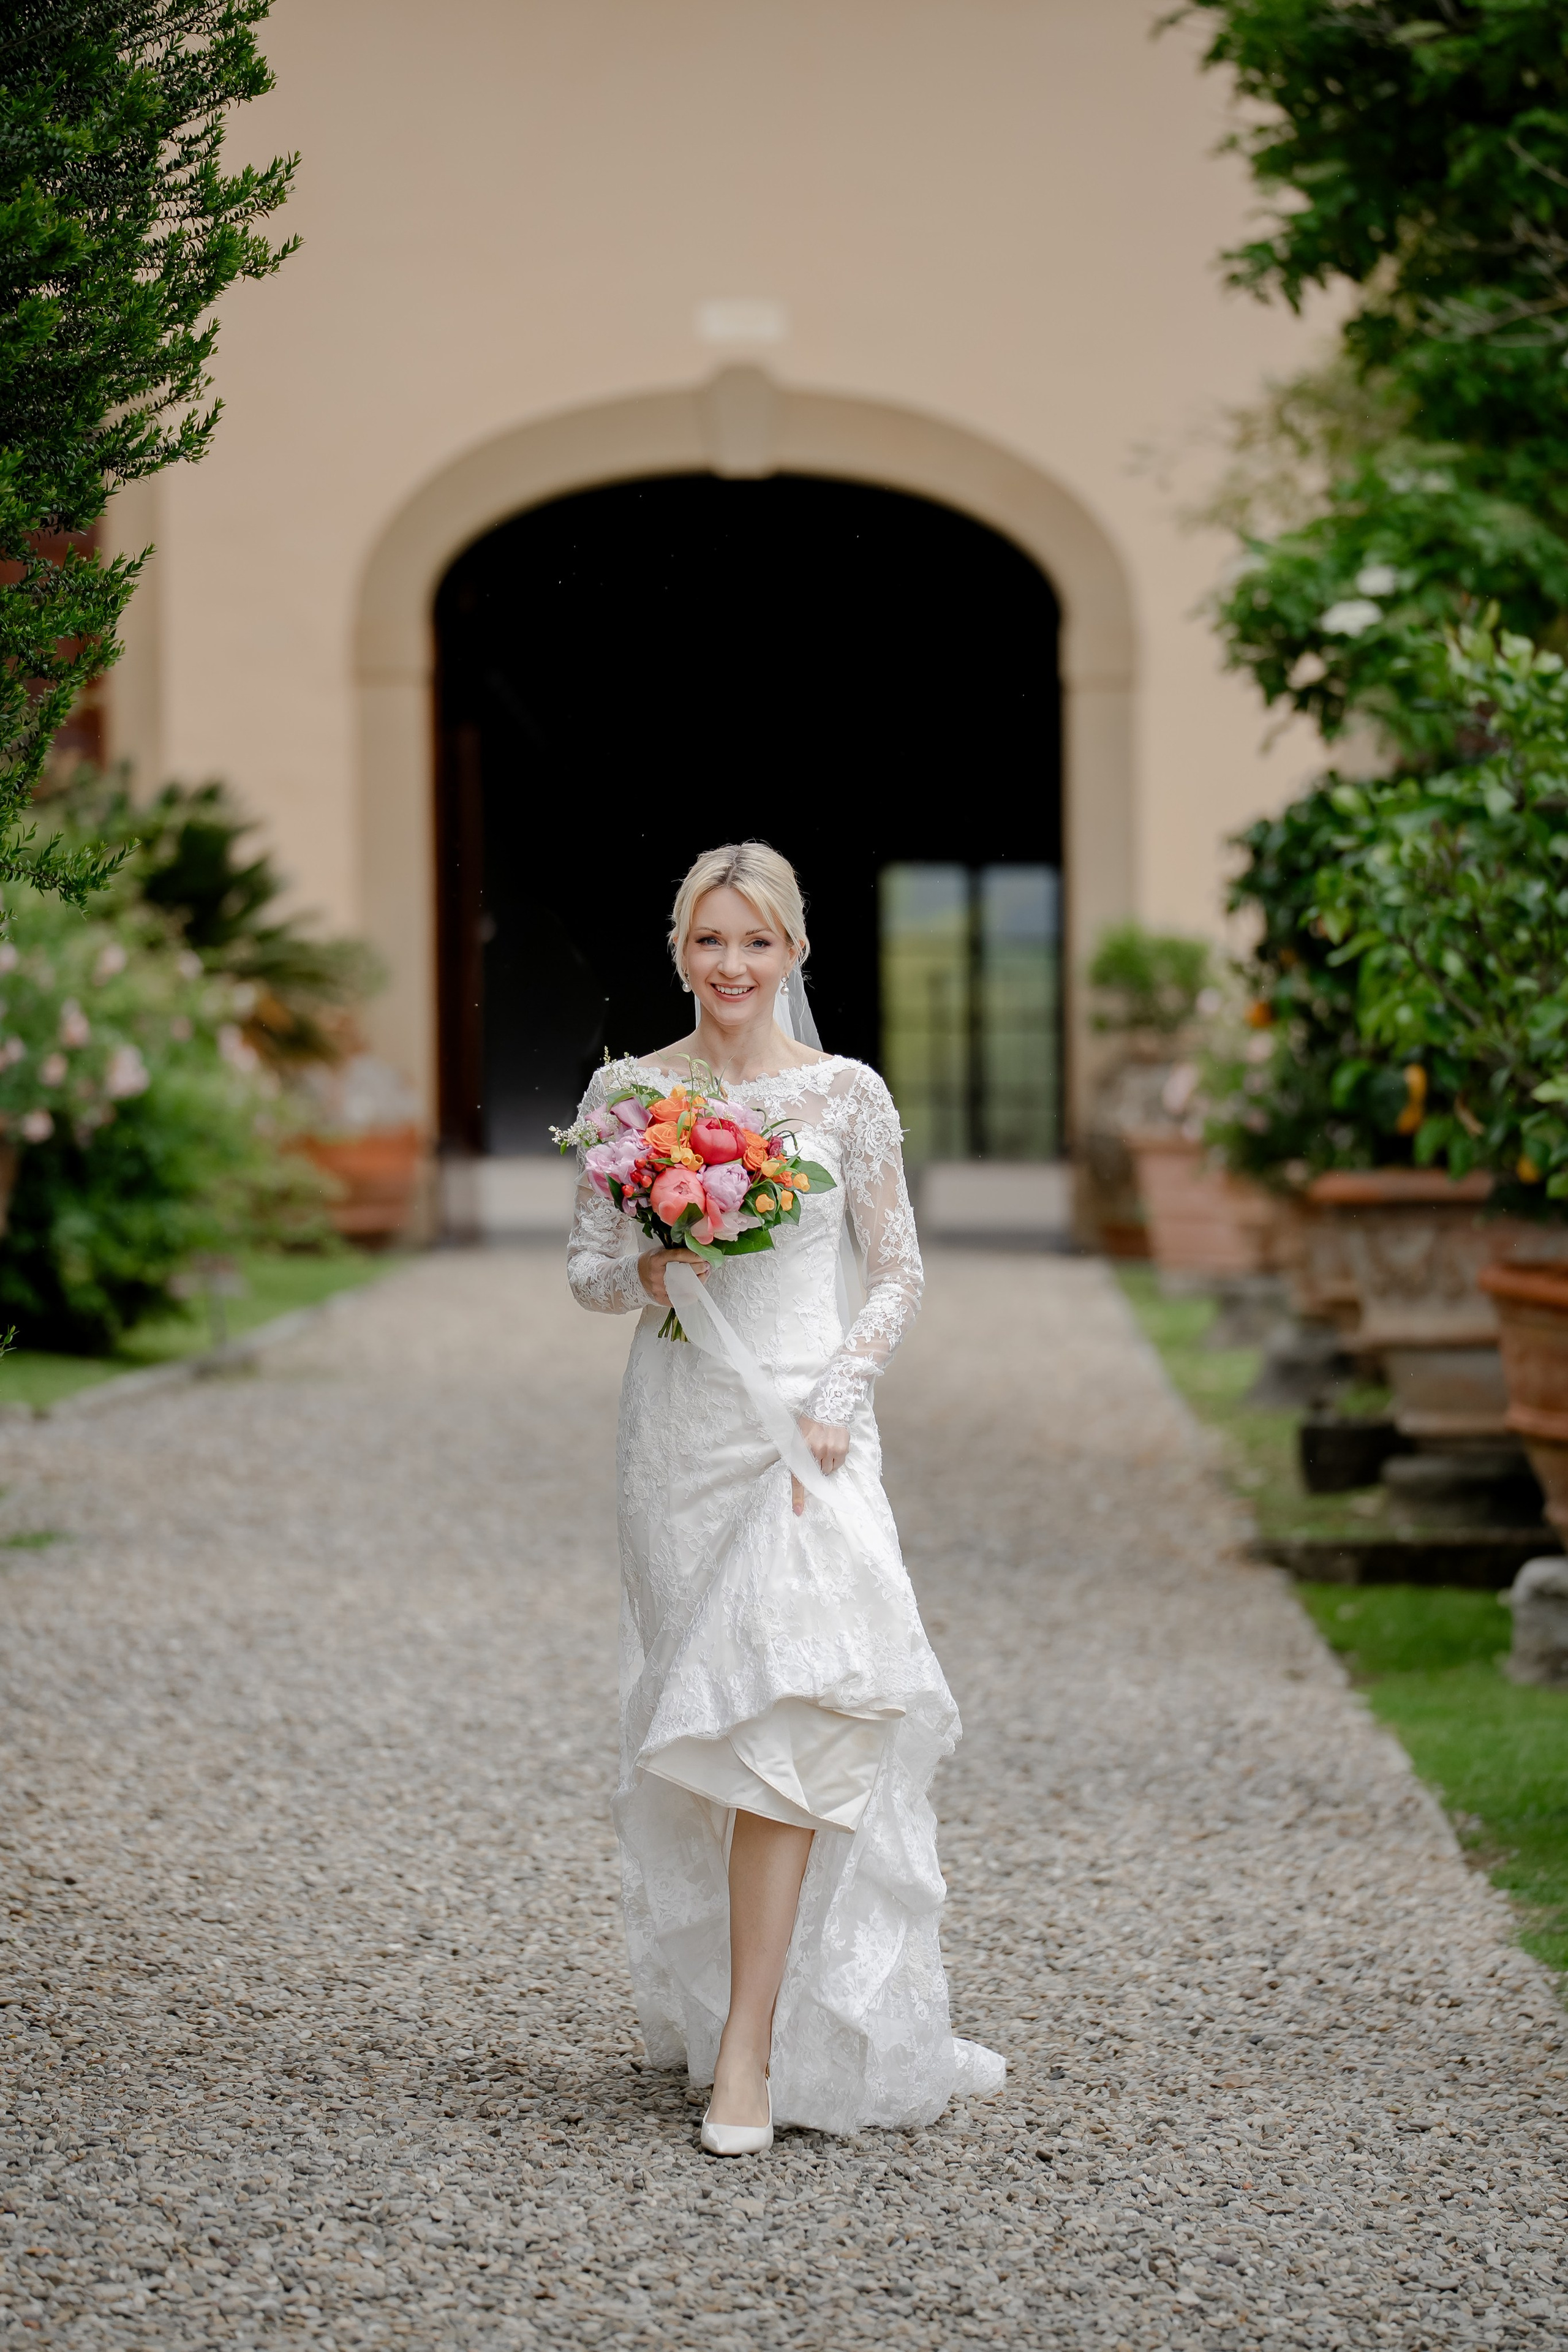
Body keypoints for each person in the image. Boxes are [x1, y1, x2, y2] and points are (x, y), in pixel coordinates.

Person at [565, 840, 1003, 2152]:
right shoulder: (627, 1093)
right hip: (679, 1434)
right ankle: (734, 2003)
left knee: (790, 1704)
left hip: (805, 1439)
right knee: (701, 1728)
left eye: (756, 942)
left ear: (794, 952)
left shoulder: (845, 1095)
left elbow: (896, 1271)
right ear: (680, 952)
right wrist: (656, 1263)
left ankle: (750, 2054)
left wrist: (837, 1397)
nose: (732, 966)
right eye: (710, 942)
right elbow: (587, 1274)